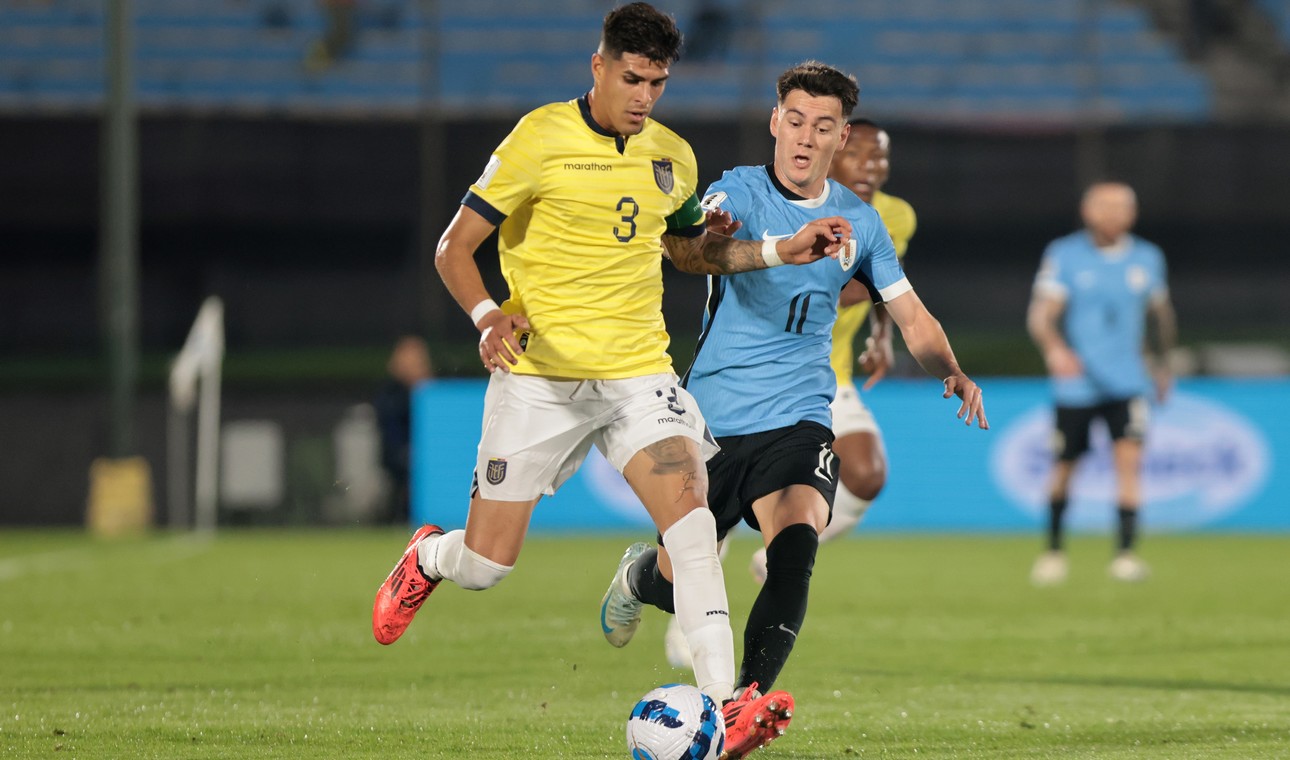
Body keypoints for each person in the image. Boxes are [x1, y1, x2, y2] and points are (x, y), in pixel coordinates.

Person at [370, 2, 853, 748]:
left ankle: (724, 706)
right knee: (488, 565)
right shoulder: (539, 139)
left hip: (638, 377)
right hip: (541, 381)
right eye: (632, 78)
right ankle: (431, 556)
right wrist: (487, 317)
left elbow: (690, 250)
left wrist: (771, 249)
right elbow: (453, 248)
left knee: (693, 526)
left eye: (657, 82)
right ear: (599, 66)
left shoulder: (672, 155)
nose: (644, 96)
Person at [598, 61, 988, 759]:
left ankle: (743, 705)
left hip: (801, 414)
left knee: (798, 543)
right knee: (681, 574)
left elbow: (913, 317)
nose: (807, 138)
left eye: (824, 127)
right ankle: (637, 578)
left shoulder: (863, 224)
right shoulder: (737, 190)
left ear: (840, 137)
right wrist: (739, 239)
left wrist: (951, 369)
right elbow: (700, 249)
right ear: (777, 121)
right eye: (797, 121)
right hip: (712, 420)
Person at [1027, 181, 1176, 585]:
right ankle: (1054, 552)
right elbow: (1042, 316)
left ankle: (1125, 555)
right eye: (1104, 206)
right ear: (1088, 211)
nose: (1113, 214)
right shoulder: (1066, 255)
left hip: (1129, 382)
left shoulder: (1148, 257)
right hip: (1078, 384)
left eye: (1122, 206)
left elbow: (1159, 315)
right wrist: (1057, 351)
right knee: (1065, 466)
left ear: (1133, 212)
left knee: (1129, 464)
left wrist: (1164, 365)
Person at [373, 335, 433, 524]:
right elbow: (390, 428)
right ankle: (395, 517)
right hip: (398, 454)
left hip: (426, 455)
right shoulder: (391, 394)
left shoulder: (432, 392)